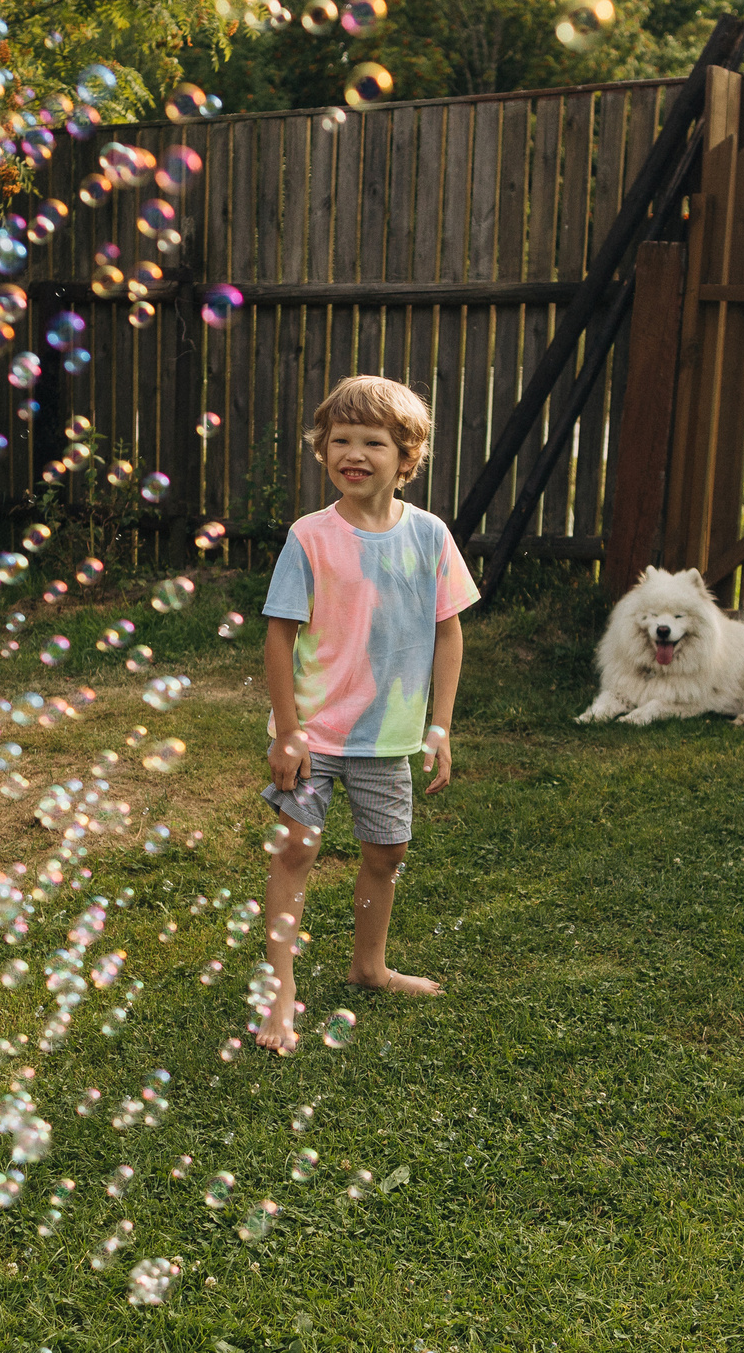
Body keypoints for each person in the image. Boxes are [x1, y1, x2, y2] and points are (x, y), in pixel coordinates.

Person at [254, 375, 476, 1056]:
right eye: (339, 440)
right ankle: (281, 992)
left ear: (406, 456)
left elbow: (448, 633)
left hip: (387, 736)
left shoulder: (430, 536)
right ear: (323, 451)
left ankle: (369, 966)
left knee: (388, 852)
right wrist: (288, 730)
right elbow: (279, 636)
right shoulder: (310, 536)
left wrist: (439, 726)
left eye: (372, 442)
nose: (353, 453)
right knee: (297, 848)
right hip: (314, 733)